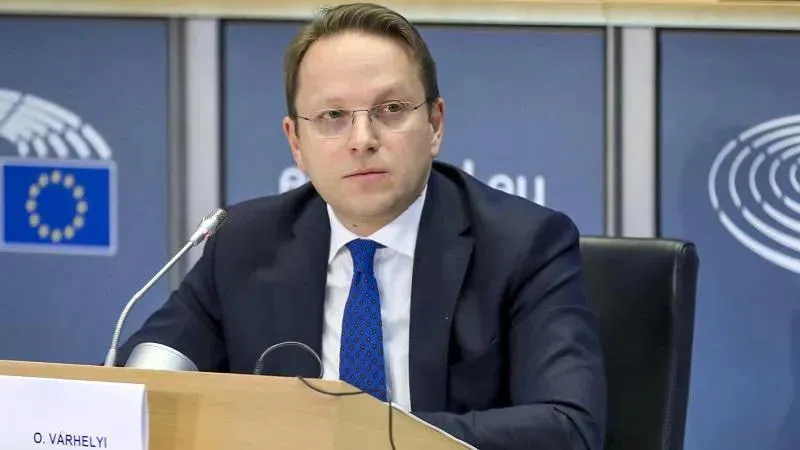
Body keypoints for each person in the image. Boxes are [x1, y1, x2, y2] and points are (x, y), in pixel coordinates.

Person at [118, 3, 606, 449]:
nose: (362, 139)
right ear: (296, 143)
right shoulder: (245, 242)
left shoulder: (523, 245)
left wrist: (366, 436)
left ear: (435, 124)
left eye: (390, 110)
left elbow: (568, 427)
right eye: (332, 116)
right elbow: (148, 378)